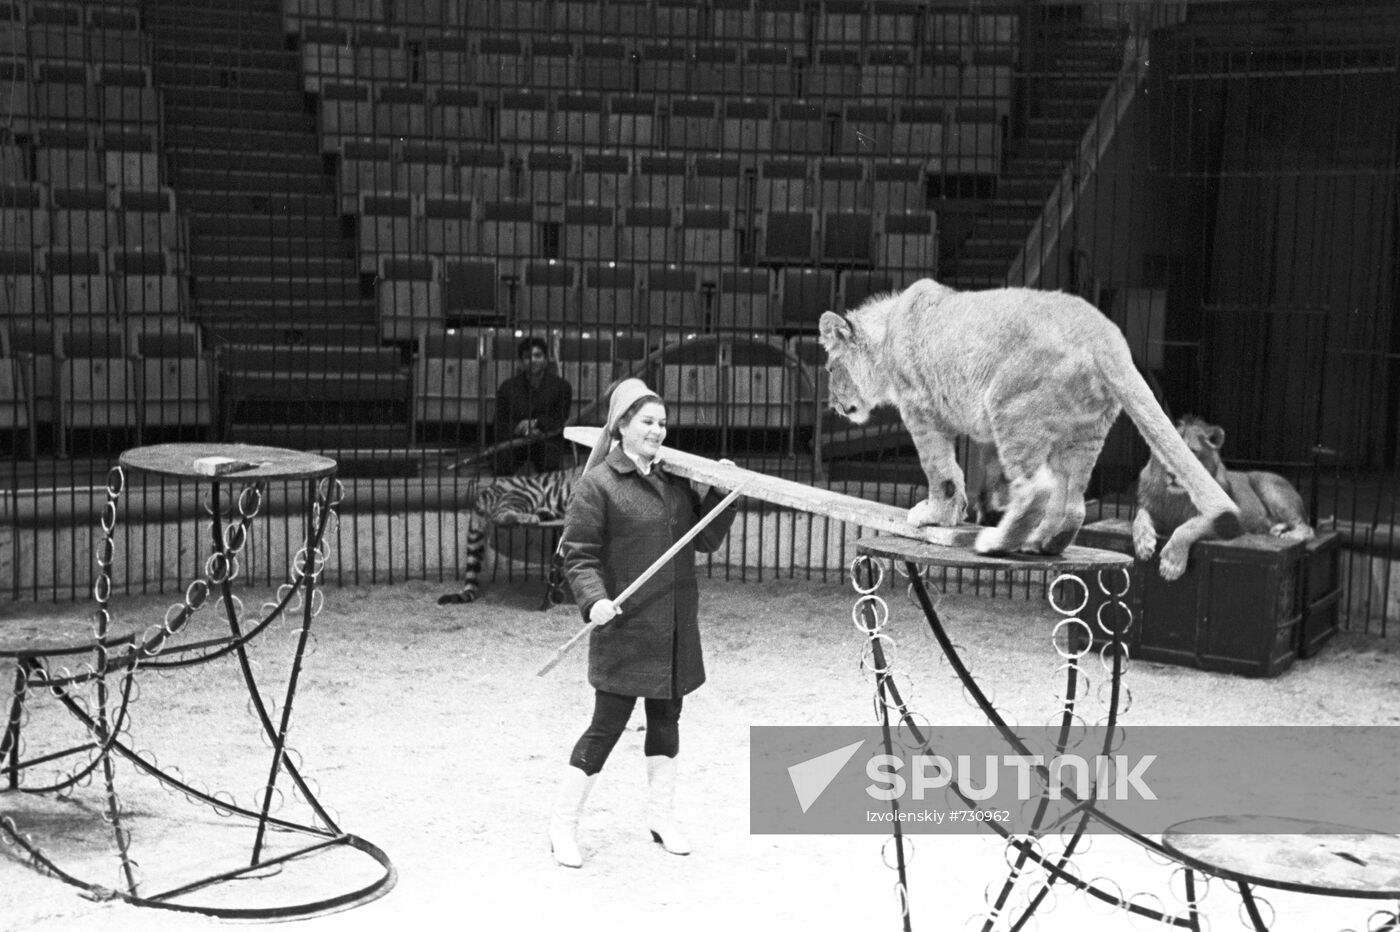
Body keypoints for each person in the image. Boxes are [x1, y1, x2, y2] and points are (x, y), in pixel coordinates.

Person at [548, 378, 739, 869]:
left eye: (662, 423)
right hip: (624, 627)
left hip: (673, 629)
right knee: (605, 728)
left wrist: (723, 494)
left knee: (666, 722)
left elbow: (705, 540)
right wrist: (594, 601)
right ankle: (563, 825)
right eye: (647, 422)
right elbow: (579, 554)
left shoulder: (674, 480)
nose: (657, 430)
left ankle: (661, 817)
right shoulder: (599, 485)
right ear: (622, 426)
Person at [492, 337, 572, 475]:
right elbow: (500, 421)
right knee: (503, 461)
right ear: (521, 362)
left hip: (546, 440)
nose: (533, 360)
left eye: (538, 355)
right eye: (527, 357)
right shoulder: (507, 387)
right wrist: (520, 430)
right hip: (515, 441)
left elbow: (560, 419)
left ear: (546, 360)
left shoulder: (561, 387)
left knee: (550, 460)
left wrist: (536, 424)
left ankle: (546, 493)